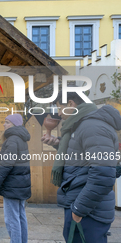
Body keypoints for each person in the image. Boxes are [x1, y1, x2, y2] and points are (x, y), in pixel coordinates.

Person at [41, 92, 121, 243]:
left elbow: (103, 175)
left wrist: (78, 210)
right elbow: (81, 157)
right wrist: (59, 144)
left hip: (89, 212)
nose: (58, 113)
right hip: (83, 206)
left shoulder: (92, 126)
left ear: (71, 104)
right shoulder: (80, 125)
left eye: (59, 108)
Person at [0, 114, 31, 243]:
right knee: (20, 216)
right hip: (20, 183)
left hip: (12, 185)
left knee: (12, 219)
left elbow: (7, 164)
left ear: (14, 124)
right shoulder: (21, 138)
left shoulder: (12, 139)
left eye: (7, 122)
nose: (4, 124)